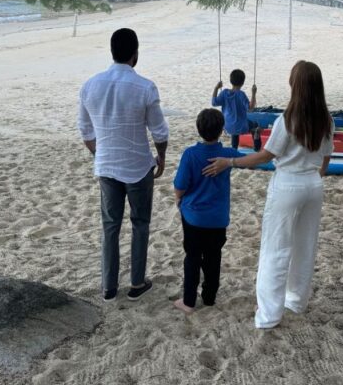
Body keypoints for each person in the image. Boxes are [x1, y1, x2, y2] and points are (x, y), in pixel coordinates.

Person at [204, 60, 333, 329]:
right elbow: (326, 160)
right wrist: (313, 178)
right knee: (304, 246)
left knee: (275, 249)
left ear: (294, 85)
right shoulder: (327, 119)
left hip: (288, 185)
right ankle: (295, 300)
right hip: (313, 186)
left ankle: (268, 315)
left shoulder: (286, 120)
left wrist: (231, 162)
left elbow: (266, 155)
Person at [78, 28, 169, 302]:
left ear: (112, 51)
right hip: (139, 167)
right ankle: (137, 282)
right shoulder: (145, 87)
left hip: (106, 166)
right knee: (140, 223)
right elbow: (160, 132)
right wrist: (161, 156)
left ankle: (109, 287)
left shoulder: (90, 85)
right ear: (135, 54)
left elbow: (85, 131)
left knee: (110, 226)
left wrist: (101, 152)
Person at [172, 109, 240, 314]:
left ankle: (189, 302)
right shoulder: (228, 154)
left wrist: (178, 198)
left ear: (198, 129)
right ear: (221, 130)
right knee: (213, 257)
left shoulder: (191, 154)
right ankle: (209, 298)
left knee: (192, 257)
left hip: (194, 217)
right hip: (217, 218)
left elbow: (180, 185)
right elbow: (255, 159)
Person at [211, 69, 258, 149]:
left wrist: (216, 88)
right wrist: (253, 93)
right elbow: (251, 108)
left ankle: (234, 148)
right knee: (255, 126)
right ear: (242, 83)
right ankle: (257, 147)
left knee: (234, 130)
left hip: (227, 126)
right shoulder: (241, 94)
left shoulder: (224, 93)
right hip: (242, 127)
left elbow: (214, 102)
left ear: (230, 81)